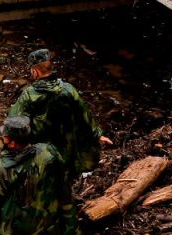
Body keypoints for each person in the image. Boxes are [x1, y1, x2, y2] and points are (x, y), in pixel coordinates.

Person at [8, 48, 110, 176]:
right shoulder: (68, 89)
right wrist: (97, 134)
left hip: (43, 151)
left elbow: (14, 120)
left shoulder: (29, 94)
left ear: (35, 71)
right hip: (68, 149)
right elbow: (84, 114)